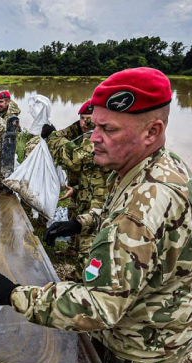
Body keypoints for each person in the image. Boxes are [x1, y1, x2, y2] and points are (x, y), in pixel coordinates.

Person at [0, 68, 192, 363]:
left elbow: (101, 307)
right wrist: (82, 222)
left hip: (145, 339)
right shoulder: (157, 167)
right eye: (95, 126)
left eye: (109, 130)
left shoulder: (139, 211)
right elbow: (118, 214)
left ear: (153, 131)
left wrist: (16, 295)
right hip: (157, 313)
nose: (94, 139)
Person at [45, 100, 111, 278]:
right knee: (73, 218)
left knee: (88, 241)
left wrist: (52, 137)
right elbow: (87, 171)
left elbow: (72, 159)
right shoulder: (85, 134)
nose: (84, 123)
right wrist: (74, 188)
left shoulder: (96, 138)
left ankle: (82, 279)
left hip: (98, 200)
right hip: (83, 192)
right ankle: (72, 251)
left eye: (89, 119)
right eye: (81, 118)